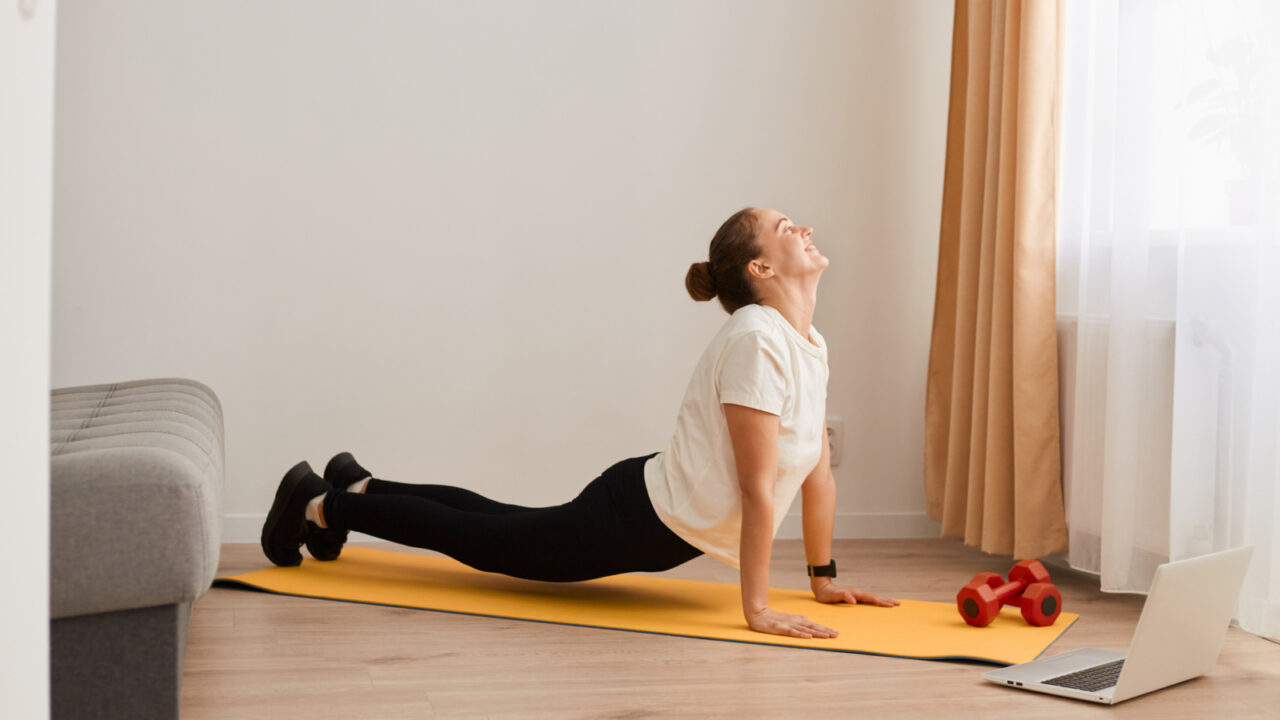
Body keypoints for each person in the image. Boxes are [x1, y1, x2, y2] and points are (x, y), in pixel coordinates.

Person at [261, 207, 899, 639]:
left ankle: (361, 486)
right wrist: (755, 610)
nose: (806, 227)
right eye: (788, 227)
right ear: (760, 269)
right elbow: (760, 488)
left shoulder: (808, 342)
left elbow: (818, 476)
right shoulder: (757, 338)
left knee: (498, 520)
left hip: (647, 511)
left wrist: (824, 582)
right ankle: (318, 506)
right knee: (482, 541)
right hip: (637, 518)